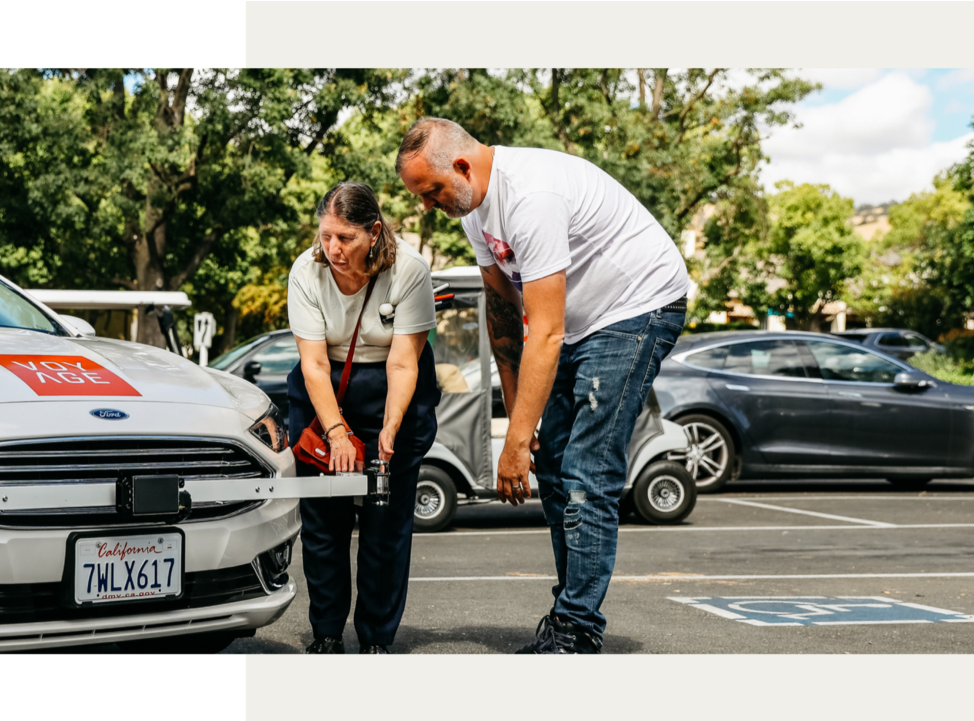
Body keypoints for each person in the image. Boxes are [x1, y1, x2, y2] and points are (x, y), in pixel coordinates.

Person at [396, 118, 691, 654]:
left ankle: (575, 629)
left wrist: (512, 444)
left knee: (586, 470)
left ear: (462, 166)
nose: (427, 206)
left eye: (431, 191)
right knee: (552, 462)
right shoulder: (473, 208)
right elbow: (505, 314)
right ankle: (569, 611)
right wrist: (519, 425)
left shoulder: (532, 195)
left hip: (637, 309)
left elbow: (546, 332)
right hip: (578, 324)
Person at [285, 181, 440, 654]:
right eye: (326, 234)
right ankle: (327, 634)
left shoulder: (409, 270)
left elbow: (403, 362)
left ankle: (376, 639)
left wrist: (389, 429)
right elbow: (312, 364)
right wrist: (335, 431)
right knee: (324, 525)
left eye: (345, 238)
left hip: (394, 391)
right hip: (324, 393)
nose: (332, 248)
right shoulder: (306, 271)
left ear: (373, 232)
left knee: (384, 528)